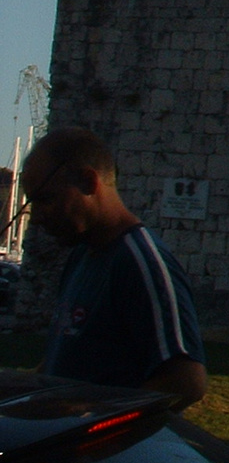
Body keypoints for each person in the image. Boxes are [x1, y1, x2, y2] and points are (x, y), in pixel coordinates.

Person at [21, 127, 207, 409]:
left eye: (46, 199)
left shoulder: (141, 263)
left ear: (88, 181)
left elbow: (185, 382)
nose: (36, 219)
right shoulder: (82, 256)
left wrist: (89, 415)